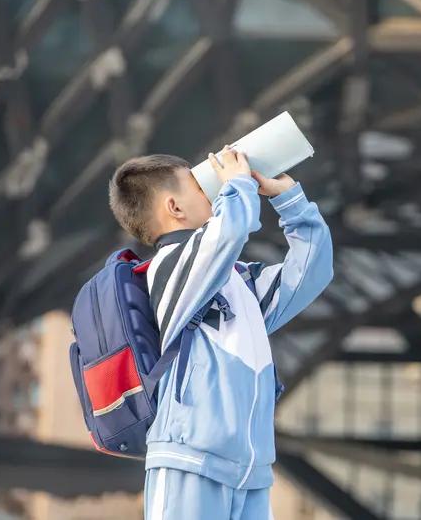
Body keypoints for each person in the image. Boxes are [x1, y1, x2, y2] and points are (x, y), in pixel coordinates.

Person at [108, 146, 333, 520]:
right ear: (174, 208)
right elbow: (227, 234)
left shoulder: (236, 279)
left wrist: (290, 201)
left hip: (248, 471)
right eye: (199, 186)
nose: (212, 189)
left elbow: (312, 271)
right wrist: (238, 185)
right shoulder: (168, 266)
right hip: (189, 459)